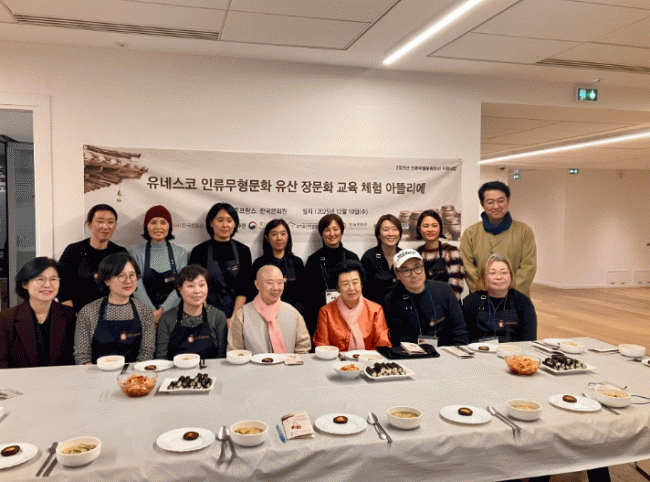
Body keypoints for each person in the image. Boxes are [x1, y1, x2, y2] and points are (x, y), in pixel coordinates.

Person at [74, 253, 155, 364]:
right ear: (107, 280)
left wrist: (132, 374)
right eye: (121, 276)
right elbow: (82, 356)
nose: (128, 281)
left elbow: (147, 352)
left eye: (132, 275)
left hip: (134, 372)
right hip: (97, 372)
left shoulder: (145, 311)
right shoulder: (88, 312)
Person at [460, 181, 536, 297]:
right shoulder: (470, 233)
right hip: (481, 298)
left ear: (508, 201)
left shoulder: (524, 231)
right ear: (482, 204)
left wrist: (508, 293)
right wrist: (483, 290)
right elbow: (467, 267)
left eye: (501, 201)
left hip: (515, 298)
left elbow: (528, 267)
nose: (496, 206)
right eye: (490, 202)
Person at [0, 257, 76, 368]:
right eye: (40, 279)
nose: (47, 285)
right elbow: (2, 365)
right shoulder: (6, 319)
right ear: (25, 284)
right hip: (20, 379)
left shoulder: (69, 315)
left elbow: (73, 359)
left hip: (60, 378)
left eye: (53, 279)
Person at [384, 249, 468, 347]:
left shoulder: (444, 289)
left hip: (447, 351)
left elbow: (460, 331)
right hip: (413, 354)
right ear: (398, 274)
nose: (414, 275)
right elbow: (400, 339)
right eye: (406, 270)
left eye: (417, 267)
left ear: (423, 268)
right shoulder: (391, 299)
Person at [188, 203, 253, 320]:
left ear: (235, 224)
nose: (225, 225)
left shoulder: (243, 250)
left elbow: (244, 288)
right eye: (220, 220)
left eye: (229, 220)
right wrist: (211, 317)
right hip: (205, 313)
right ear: (211, 223)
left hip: (237, 313)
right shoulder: (199, 251)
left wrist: (234, 318)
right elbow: (194, 287)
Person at [58, 204, 127, 313]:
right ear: (90, 224)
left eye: (110, 222)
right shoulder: (73, 250)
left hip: (111, 315)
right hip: (77, 314)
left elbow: (126, 285)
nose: (105, 226)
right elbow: (62, 284)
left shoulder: (120, 253)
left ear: (115, 225)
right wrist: (71, 313)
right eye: (100, 221)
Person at [228, 265, 311, 354]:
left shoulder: (293, 313)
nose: (275, 288)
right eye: (270, 283)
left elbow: (303, 348)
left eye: (280, 282)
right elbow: (235, 352)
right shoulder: (242, 315)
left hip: (289, 363)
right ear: (257, 284)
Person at [313, 260, 391, 351]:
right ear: (337, 287)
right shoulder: (326, 312)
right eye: (345, 284)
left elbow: (383, 344)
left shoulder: (375, 310)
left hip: (369, 358)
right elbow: (322, 346)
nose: (351, 288)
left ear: (361, 284)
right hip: (336, 359)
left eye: (355, 282)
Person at [129, 205, 188, 325]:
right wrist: (152, 312)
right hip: (143, 314)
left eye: (163, 222)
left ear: (169, 226)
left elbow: (182, 285)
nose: (158, 227)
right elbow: (135, 284)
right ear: (146, 226)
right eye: (153, 222)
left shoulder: (180, 252)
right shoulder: (136, 252)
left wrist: (162, 310)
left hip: (173, 314)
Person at [304, 214, 359, 336]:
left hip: (349, 315)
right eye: (327, 230)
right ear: (321, 233)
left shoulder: (352, 258)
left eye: (335, 229)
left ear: (341, 230)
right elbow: (307, 293)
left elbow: (359, 289)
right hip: (320, 316)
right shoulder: (313, 259)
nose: (332, 234)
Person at [156, 265, 227, 360]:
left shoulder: (218, 316)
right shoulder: (167, 319)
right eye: (190, 286)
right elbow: (161, 358)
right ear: (179, 288)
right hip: (176, 369)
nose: (197, 291)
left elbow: (222, 357)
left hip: (211, 368)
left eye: (202, 285)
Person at [462, 254, 537, 343]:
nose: (498, 277)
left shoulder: (523, 302)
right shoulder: (471, 301)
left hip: (513, 351)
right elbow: (463, 337)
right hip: (479, 350)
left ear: (511, 275)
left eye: (504, 273)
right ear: (484, 277)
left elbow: (529, 340)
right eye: (492, 273)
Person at [251, 219, 305, 314]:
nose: (279, 238)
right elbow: (254, 293)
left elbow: (303, 294)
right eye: (274, 234)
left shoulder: (297, 262)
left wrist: (291, 313)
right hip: (265, 314)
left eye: (283, 234)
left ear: (288, 236)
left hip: (292, 314)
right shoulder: (259, 263)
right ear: (267, 238)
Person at [415, 210, 465, 301]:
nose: (430, 229)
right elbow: (414, 285)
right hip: (423, 304)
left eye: (434, 225)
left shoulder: (451, 251)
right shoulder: (416, 254)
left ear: (440, 228)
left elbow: (456, 287)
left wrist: (442, 306)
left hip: (449, 305)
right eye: (426, 226)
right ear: (419, 229)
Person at [361, 214, 402, 304]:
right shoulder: (369, 257)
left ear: (399, 234)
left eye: (395, 229)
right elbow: (364, 290)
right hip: (374, 309)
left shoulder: (405, 256)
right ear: (378, 234)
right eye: (386, 230)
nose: (391, 233)